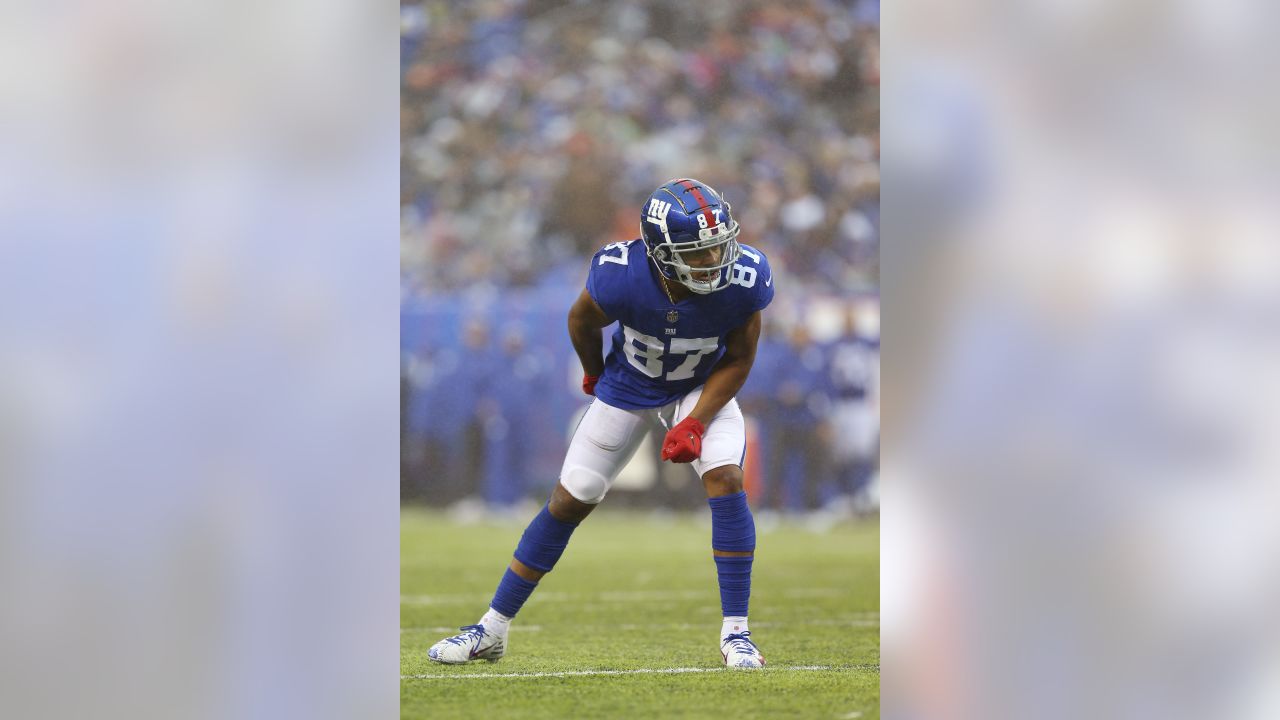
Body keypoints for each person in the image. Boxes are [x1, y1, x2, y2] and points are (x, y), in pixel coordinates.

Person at [428, 178, 775, 668]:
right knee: (573, 496)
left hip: (701, 384)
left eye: (718, 248)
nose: (713, 262)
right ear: (659, 251)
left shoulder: (744, 279)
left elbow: (738, 359)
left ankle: (736, 634)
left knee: (725, 474)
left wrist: (695, 421)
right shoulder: (621, 273)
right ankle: (492, 629)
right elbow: (581, 321)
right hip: (630, 382)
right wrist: (594, 371)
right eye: (697, 253)